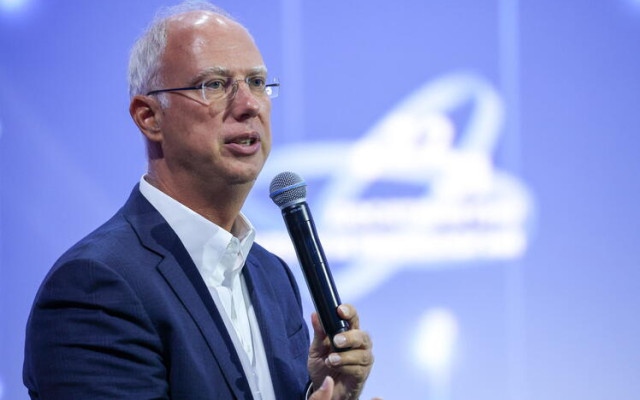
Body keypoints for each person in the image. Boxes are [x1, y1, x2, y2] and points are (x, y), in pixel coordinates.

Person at [22, 1, 375, 399]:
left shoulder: (272, 275)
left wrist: (321, 391)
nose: (249, 105)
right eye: (215, 85)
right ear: (149, 117)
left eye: (257, 82)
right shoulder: (94, 287)